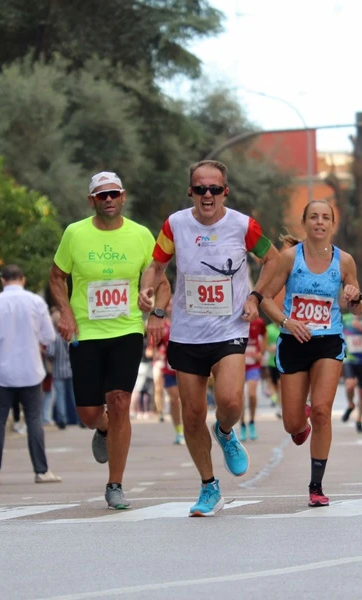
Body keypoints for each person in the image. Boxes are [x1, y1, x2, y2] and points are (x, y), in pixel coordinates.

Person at [139, 159, 281, 517]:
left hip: (229, 327)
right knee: (191, 414)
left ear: (225, 192)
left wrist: (255, 297)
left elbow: (273, 259)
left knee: (231, 402)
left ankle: (225, 430)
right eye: (200, 188)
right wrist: (149, 294)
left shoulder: (243, 225)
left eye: (214, 189)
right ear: (190, 191)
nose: (207, 195)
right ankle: (208, 486)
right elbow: (157, 265)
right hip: (187, 332)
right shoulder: (174, 224)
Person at [48, 171, 157, 509]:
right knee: (88, 412)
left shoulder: (140, 235)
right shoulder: (74, 233)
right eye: (101, 195)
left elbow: (159, 277)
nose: (108, 200)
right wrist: (65, 313)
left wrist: (154, 310)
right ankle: (103, 427)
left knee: (121, 399)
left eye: (113, 194)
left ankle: (115, 484)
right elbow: (56, 276)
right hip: (87, 331)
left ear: (123, 197)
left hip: (127, 330)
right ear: (91, 201)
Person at [255, 200, 362, 507]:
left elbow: (358, 305)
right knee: (293, 424)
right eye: (313, 217)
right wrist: (287, 321)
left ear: (332, 224)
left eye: (325, 217)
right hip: (293, 341)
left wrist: (355, 297)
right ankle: (298, 424)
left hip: (328, 341)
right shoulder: (290, 257)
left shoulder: (345, 262)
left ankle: (316, 485)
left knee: (321, 410)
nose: (319, 222)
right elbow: (265, 300)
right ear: (305, 223)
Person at [0, 264, 60, 485]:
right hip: (30, 370)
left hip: (1, 372)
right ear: (22, 279)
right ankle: (41, 471)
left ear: (3, 280)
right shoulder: (36, 302)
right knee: (34, 419)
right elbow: (49, 337)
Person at [157, 317, 184, 444]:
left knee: (188, 401)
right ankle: (179, 431)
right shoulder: (164, 327)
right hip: (169, 370)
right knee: (174, 399)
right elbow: (155, 345)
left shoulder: (185, 322)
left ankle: (189, 429)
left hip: (186, 369)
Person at [239, 317, 266, 441]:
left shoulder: (258, 322)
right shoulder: (235, 319)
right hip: (238, 364)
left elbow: (264, 336)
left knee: (251, 394)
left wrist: (261, 352)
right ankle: (242, 424)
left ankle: (252, 422)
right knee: (239, 397)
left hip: (253, 364)